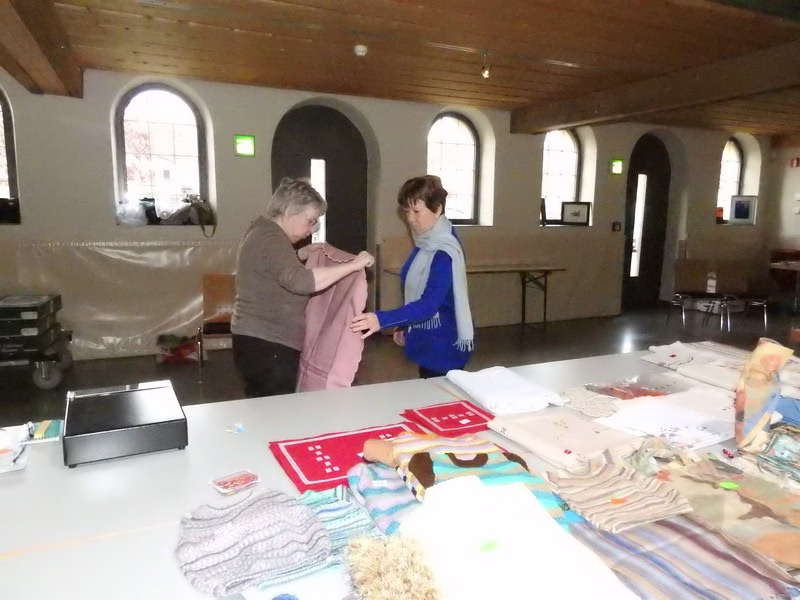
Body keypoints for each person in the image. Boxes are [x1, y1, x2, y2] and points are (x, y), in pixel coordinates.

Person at [231, 177, 374, 397]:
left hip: (258, 340)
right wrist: (352, 266)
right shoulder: (271, 237)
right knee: (274, 409)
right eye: (311, 220)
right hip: (268, 343)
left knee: (265, 406)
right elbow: (301, 281)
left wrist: (299, 255)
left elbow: (270, 270)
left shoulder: (262, 230)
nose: (312, 228)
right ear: (289, 211)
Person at [351, 175, 473, 378]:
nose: (410, 218)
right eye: (406, 211)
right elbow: (416, 289)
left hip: (444, 347)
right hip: (428, 342)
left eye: (416, 211)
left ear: (437, 209)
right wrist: (404, 324)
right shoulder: (426, 243)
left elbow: (428, 305)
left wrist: (381, 319)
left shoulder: (444, 252)